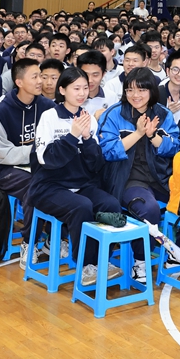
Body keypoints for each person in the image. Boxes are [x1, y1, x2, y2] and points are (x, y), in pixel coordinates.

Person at [30, 67, 123, 287]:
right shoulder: (49, 117)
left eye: (84, 88)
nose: (82, 93)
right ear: (62, 90)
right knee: (82, 207)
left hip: (81, 184)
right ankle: (85, 266)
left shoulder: (88, 118)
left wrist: (88, 138)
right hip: (49, 186)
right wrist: (72, 136)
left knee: (111, 205)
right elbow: (47, 159)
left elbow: (96, 164)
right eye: (76, 88)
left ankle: (101, 260)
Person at [98, 68, 180, 284]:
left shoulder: (163, 114)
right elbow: (107, 152)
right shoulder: (114, 114)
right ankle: (140, 262)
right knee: (149, 209)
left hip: (160, 176)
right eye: (130, 90)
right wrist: (137, 134)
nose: (135, 95)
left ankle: (176, 253)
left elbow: (175, 147)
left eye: (141, 90)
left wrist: (153, 136)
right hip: (126, 179)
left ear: (152, 91)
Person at [0, 58, 54, 268]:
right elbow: (1, 154)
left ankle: (54, 239)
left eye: (41, 76)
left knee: (63, 183)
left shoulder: (47, 106)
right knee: (35, 186)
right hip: (6, 171)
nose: (41, 81)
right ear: (19, 82)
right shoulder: (0, 111)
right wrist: (36, 152)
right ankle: (29, 242)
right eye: (35, 76)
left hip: (39, 167)